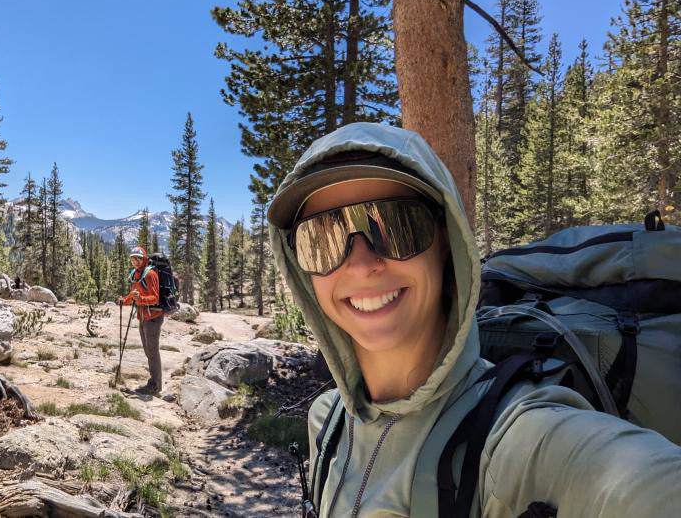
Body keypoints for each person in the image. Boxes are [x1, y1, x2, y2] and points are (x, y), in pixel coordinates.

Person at [266, 122, 681, 517]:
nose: (361, 264)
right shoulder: (328, 421)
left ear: (446, 241)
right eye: (323, 238)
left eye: (396, 225)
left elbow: (640, 484)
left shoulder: (516, 439)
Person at [117, 246, 165, 395]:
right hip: (143, 317)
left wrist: (140, 299)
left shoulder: (150, 274)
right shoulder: (135, 274)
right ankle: (155, 383)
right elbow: (134, 293)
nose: (135, 262)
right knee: (148, 350)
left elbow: (155, 297)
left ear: (143, 259)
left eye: (137, 259)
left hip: (153, 318)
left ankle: (155, 386)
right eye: (133, 259)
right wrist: (125, 300)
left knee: (152, 351)